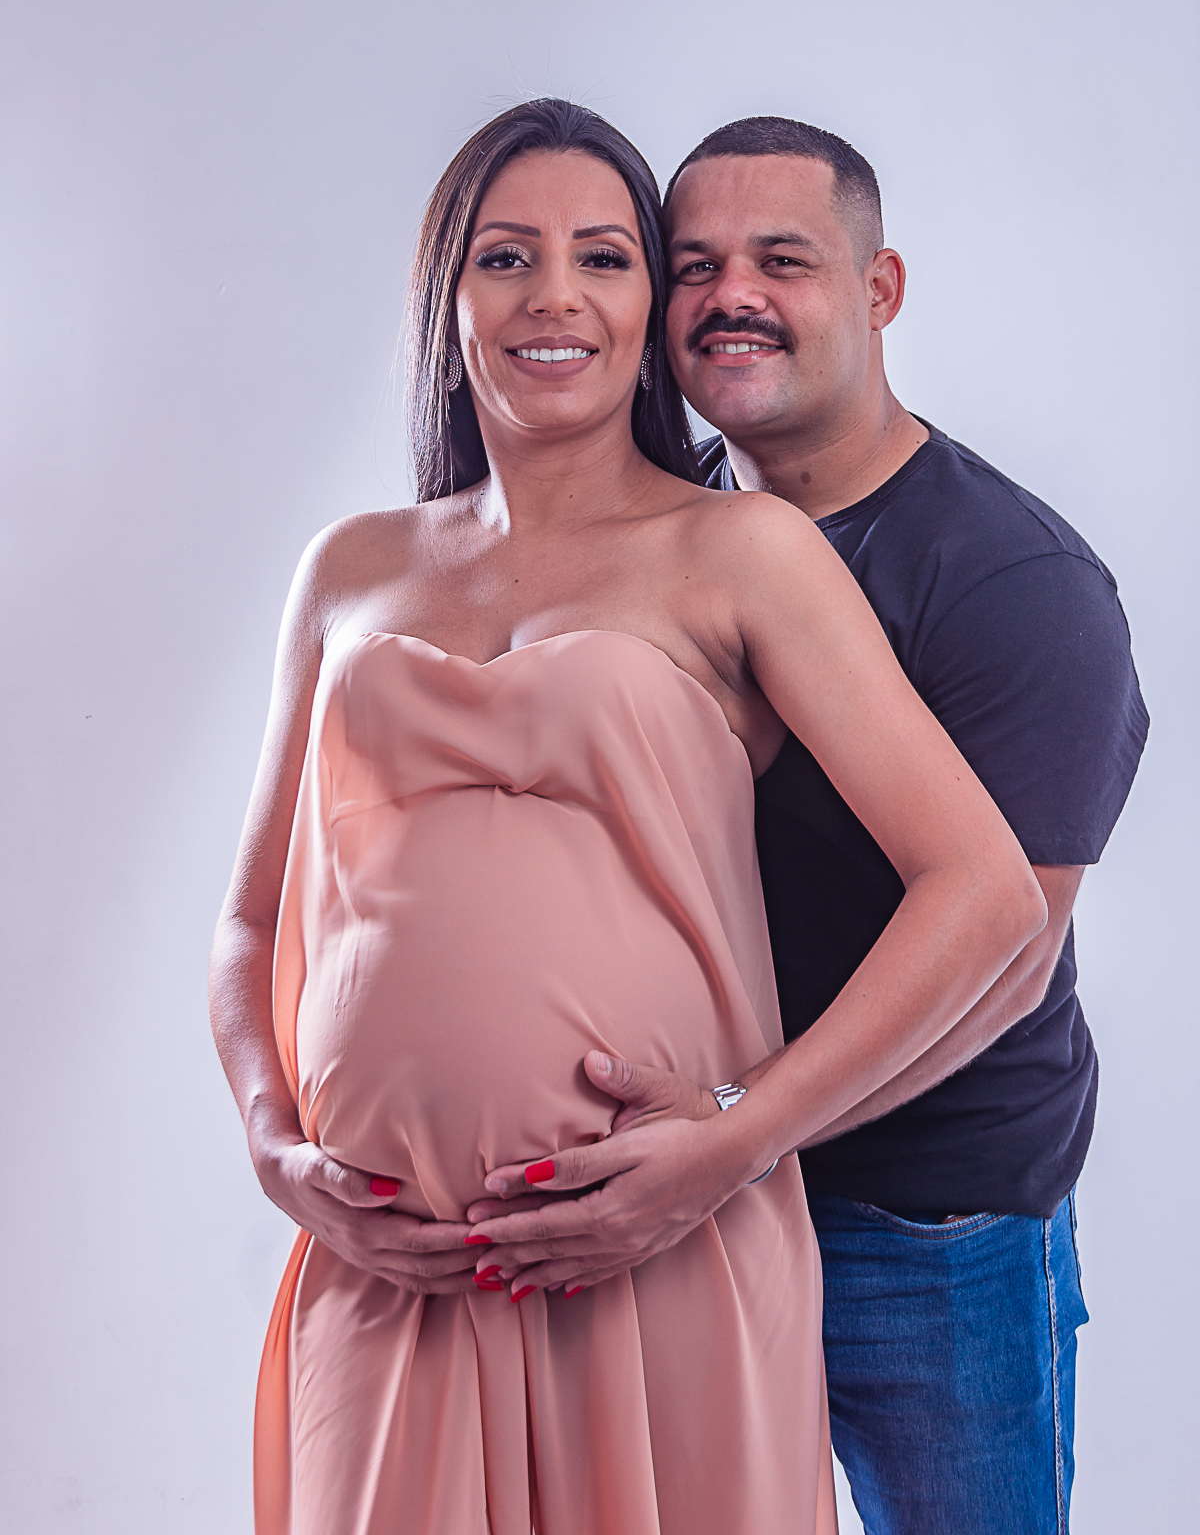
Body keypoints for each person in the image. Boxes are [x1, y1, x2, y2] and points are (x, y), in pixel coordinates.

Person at [209, 99, 1049, 1535]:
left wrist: (734, 1139)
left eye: (603, 258)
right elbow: (247, 922)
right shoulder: (347, 568)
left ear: (651, 313)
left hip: (659, 1246)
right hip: (392, 1270)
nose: (554, 295)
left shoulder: (741, 551)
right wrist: (276, 1151)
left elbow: (983, 887)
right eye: (505, 257)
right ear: (445, 299)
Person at [469, 117, 1148, 1535]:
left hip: (927, 1226)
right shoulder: (659, 534)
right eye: (695, 264)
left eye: (783, 261)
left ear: (878, 288)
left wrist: (736, 1135)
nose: (734, 296)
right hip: (679, 1195)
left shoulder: (1014, 581)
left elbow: (1004, 952)